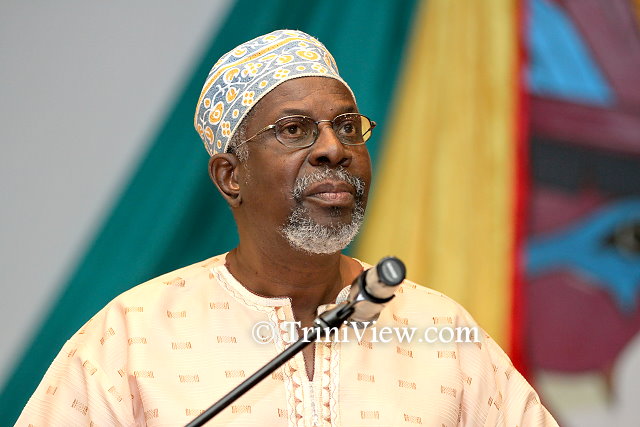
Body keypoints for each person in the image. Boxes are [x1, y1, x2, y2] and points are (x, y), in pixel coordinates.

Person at [17, 29, 558, 426]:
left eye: (347, 126)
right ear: (231, 176)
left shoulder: (443, 334)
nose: (333, 148)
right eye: (295, 129)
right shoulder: (129, 341)